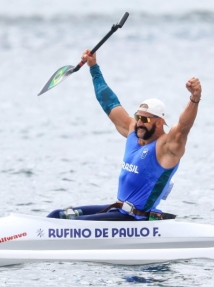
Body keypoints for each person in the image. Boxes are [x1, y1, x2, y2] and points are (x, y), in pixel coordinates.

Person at [47, 49, 202, 221]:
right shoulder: (133, 132)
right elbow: (109, 102)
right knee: (56, 215)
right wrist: (93, 67)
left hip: (135, 221)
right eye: (138, 117)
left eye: (146, 119)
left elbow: (183, 128)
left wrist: (194, 98)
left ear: (159, 123)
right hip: (119, 211)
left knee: (69, 223)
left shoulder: (166, 148)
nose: (140, 123)